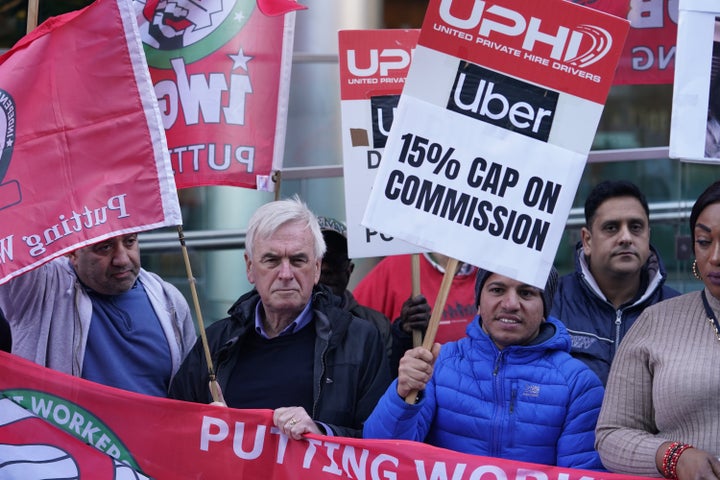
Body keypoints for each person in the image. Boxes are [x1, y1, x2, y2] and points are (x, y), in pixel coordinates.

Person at [169, 197, 390, 439]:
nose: (285, 274)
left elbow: (381, 442)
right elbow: (172, 430)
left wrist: (322, 433)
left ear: (316, 268)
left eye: (298, 260)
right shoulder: (215, 343)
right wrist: (204, 426)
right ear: (250, 267)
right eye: (271, 260)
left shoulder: (360, 341)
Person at [363, 267, 605, 470]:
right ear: (478, 303)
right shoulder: (439, 364)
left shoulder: (579, 384)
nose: (510, 304)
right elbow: (383, 456)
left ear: (545, 309)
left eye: (527, 292)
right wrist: (402, 395)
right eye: (497, 290)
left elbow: (582, 472)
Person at [595, 180, 720, 479]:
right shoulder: (656, 322)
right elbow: (611, 435)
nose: (715, 257)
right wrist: (672, 456)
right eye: (704, 242)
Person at [0, 233, 196, 397]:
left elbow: (191, 389)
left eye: (130, 242)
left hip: (154, 441)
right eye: (104, 247)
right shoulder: (40, 288)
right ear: (73, 252)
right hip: (66, 443)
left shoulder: (168, 299)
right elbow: (12, 234)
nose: (122, 259)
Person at [550, 180, 679, 385]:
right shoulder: (550, 304)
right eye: (611, 228)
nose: (626, 237)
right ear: (587, 240)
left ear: (648, 235)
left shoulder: (679, 311)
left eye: (636, 227)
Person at [353, 253, 477, 371]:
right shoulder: (393, 268)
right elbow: (356, 329)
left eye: (497, 290)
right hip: (415, 388)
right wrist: (403, 332)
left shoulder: (490, 270)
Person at [316, 216, 392, 362]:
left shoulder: (377, 326)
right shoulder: (283, 320)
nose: (325, 268)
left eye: (336, 260)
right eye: (318, 259)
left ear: (349, 270)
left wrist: (404, 336)